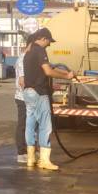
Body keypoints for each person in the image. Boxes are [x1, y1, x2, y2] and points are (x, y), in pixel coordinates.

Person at [22, 28, 73, 171]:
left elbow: (46, 67)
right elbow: (48, 71)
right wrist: (67, 77)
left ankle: (31, 159)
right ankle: (44, 160)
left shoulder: (29, 51)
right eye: (49, 42)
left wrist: (65, 72)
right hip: (39, 92)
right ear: (43, 38)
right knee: (45, 126)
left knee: (30, 124)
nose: (49, 45)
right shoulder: (39, 50)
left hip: (28, 92)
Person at [14, 36, 31, 164]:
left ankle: (29, 150)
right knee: (23, 125)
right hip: (23, 97)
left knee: (29, 125)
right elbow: (22, 81)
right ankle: (21, 152)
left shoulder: (27, 58)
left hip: (27, 97)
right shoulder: (23, 59)